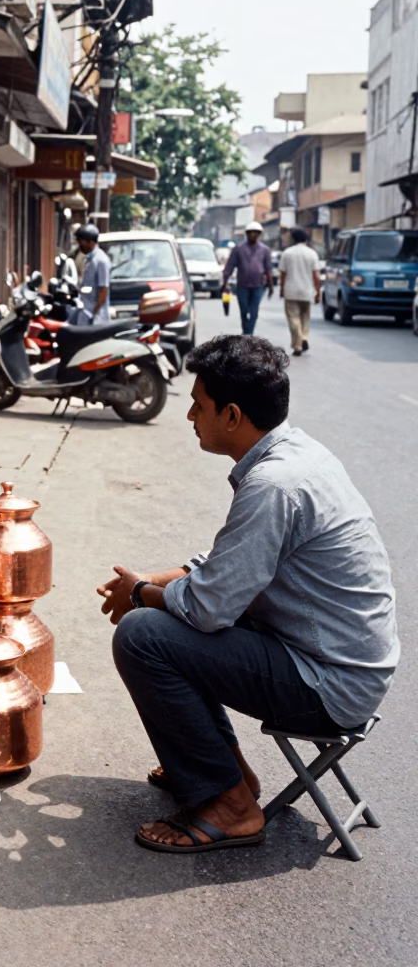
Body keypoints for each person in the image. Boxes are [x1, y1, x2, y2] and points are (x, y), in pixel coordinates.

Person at [98, 334, 398, 854]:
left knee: (143, 636)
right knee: (166, 619)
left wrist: (141, 594)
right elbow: (226, 568)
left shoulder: (273, 485)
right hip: (340, 665)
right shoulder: (295, 454)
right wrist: (148, 582)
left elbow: (209, 607)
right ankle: (225, 775)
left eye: (198, 405)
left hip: (328, 686)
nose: (190, 415)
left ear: (232, 415)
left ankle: (231, 808)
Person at [222, 222, 274, 335]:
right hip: (242, 285)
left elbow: (268, 269)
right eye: (251, 233)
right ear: (247, 234)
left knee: (254, 311)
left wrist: (271, 286)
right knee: (244, 310)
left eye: (256, 233)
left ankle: (248, 333)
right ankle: (246, 331)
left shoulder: (265, 250)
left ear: (259, 234)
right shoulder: (238, 249)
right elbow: (229, 267)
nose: (253, 235)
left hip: (258, 285)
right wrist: (225, 283)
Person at [279, 227, 321, 356]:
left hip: (291, 291)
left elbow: (283, 274)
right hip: (307, 291)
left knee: (293, 319)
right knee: (305, 318)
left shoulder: (287, 253)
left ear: (293, 239)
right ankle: (304, 338)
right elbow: (316, 276)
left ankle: (297, 345)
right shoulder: (312, 253)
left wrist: (281, 289)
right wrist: (318, 291)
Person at [73, 223, 111, 324]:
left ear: (90, 242)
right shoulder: (89, 259)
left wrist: (93, 314)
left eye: (81, 242)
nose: (80, 245)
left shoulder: (101, 260)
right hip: (86, 313)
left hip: (95, 318)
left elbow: (103, 291)